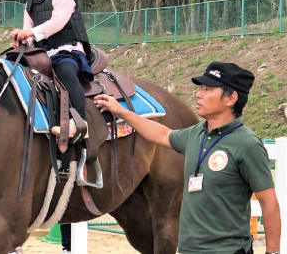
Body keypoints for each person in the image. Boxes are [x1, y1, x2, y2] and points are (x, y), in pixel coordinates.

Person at [94, 61, 281, 254]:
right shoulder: (195, 135)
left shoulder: (247, 144)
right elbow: (161, 134)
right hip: (189, 250)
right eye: (200, 88)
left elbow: (269, 202)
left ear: (231, 98)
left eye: (208, 89)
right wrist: (122, 112)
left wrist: (273, 252)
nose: (199, 94)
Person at [9, 0, 94, 144]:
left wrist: (29, 32)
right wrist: (22, 42)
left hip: (68, 51)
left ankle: (79, 122)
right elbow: (29, 33)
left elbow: (58, 22)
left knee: (66, 73)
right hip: (45, 55)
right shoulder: (29, 2)